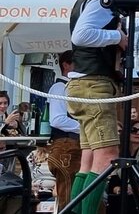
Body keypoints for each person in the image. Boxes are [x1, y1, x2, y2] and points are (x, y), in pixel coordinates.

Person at [66, 0, 129, 214]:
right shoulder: (102, 0)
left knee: (89, 158)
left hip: (83, 84)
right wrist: (119, 38)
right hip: (93, 86)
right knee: (107, 155)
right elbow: (81, 36)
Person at [47, 51, 82, 211]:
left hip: (74, 145)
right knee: (68, 196)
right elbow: (57, 119)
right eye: (78, 62)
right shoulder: (60, 87)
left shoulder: (72, 87)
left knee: (77, 195)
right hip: (67, 146)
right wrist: (84, 128)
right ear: (66, 65)